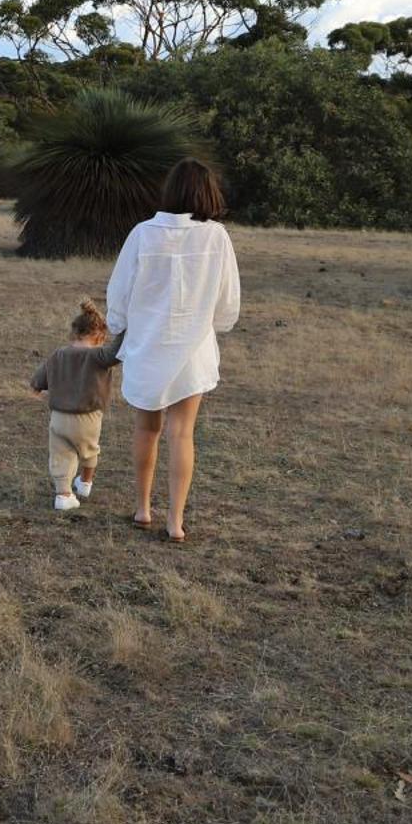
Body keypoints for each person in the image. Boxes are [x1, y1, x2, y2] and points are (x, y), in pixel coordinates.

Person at [106, 159, 241, 544]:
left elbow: (120, 292)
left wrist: (118, 327)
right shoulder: (216, 236)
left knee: (147, 428)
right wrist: (211, 327)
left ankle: (142, 507)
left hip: (148, 346)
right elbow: (228, 301)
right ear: (206, 192)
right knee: (182, 433)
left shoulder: (143, 234)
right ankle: (175, 521)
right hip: (193, 351)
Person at [29, 298, 124, 512]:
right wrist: (126, 331)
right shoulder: (99, 355)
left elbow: (40, 377)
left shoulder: (58, 354)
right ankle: (85, 483)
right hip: (88, 417)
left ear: (74, 333)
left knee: (61, 455)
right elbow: (116, 352)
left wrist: (36, 386)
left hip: (59, 417)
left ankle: (63, 495)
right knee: (89, 451)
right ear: (100, 336)